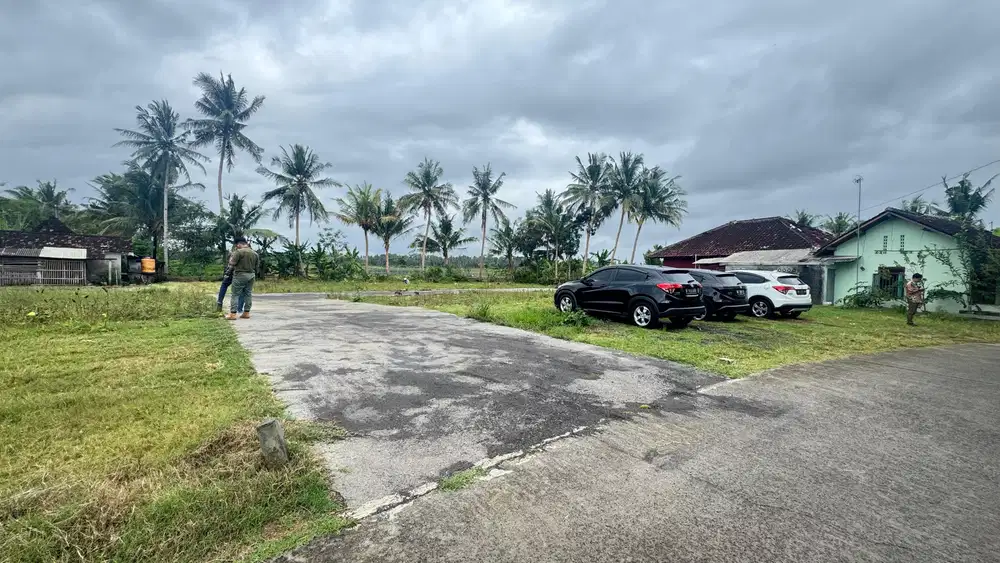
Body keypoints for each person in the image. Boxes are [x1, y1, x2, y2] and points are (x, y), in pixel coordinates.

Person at [225, 237, 260, 320]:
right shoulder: (255, 254)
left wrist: (231, 257)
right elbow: (257, 267)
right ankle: (246, 313)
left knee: (235, 294)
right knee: (248, 294)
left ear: (238, 244)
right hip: (251, 275)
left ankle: (233, 314)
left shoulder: (238, 252)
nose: (236, 246)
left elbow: (232, 263)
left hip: (240, 275)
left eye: (236, 245)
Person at [217, 246, 245, 313]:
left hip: (232, 272)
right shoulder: (245, 255)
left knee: (224, 285)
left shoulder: (234, 253)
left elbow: (231, 265)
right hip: (240, 274)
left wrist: (227, 273)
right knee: (241, 290)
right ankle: (239, 308)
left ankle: (219, 302)